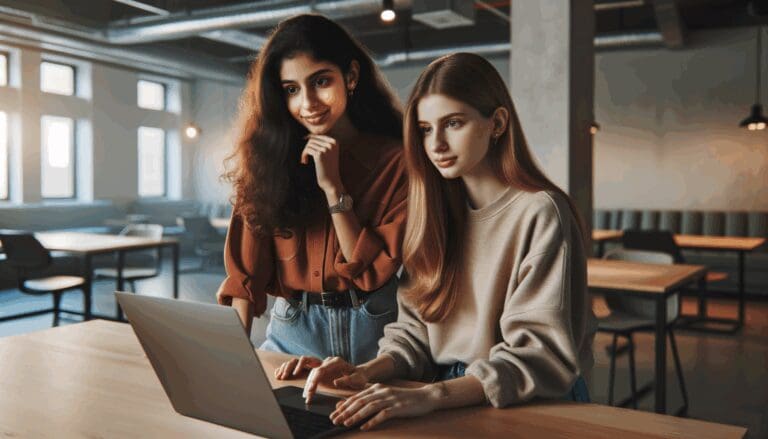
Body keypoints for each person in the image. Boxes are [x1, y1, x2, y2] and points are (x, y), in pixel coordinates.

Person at [276, 52, 596, 431]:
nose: (437, 144)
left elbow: (539, 357)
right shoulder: (432, 211)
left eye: (453, 123)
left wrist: (428, 396)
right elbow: (414, 332)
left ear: (497, 123)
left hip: (530, 403)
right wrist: (365, 373)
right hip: (448, 393)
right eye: (426, 129)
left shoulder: (540, 211)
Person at [216, 14, 407, 365]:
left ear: (350, 76)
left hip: (376, 330)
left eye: (320, 81)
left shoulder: (397, 161)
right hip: (293, 328)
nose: (308, 103)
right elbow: (245, 275)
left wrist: (333, 188)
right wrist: (231, 361)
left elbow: (368, 272)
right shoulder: (265, 161)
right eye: (291, 89)